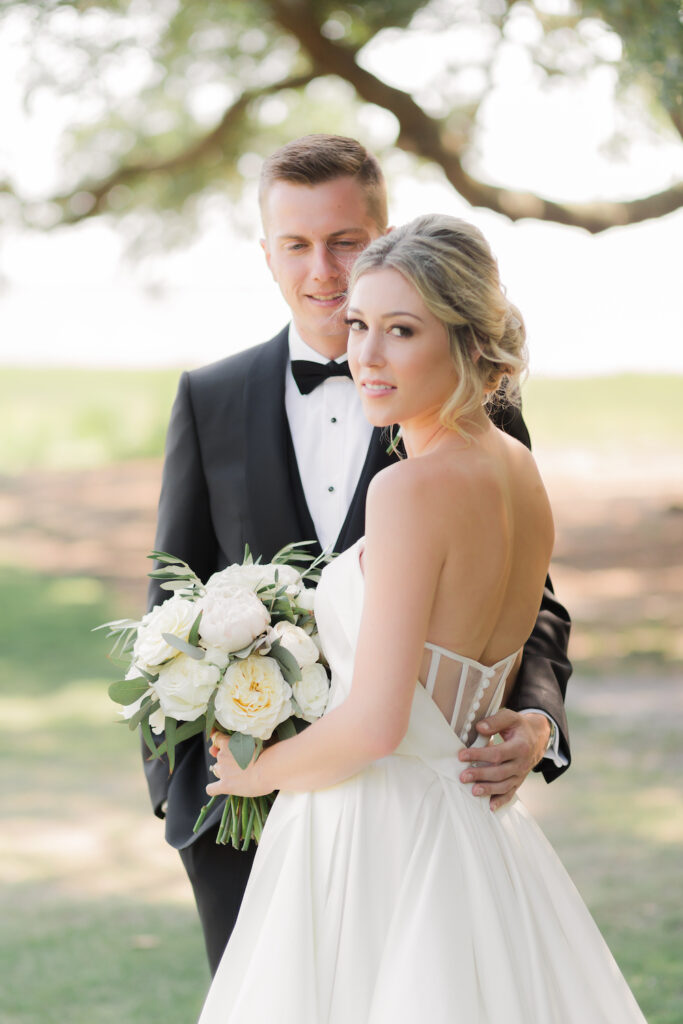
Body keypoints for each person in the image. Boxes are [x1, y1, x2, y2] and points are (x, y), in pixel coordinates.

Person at [197, 214, 646, 1023]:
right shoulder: (520, 473)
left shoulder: (406, 489)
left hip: (377, 832)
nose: (365, 356)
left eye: (400, 330)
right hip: (472, 827)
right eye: (358, 325)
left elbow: (376, 725)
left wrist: (254, 772)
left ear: (468, 343)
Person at [145, 134, 572, 975]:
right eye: (296, 245)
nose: (323, 271)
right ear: (265, 252)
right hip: (244, 819)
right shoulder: (209, 397)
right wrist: (188, 795)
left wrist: (537, 723)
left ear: (384, 236)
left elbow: (530, 597)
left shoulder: (470, 423)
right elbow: (171, 595)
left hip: (392, 812)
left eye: (345, 242)